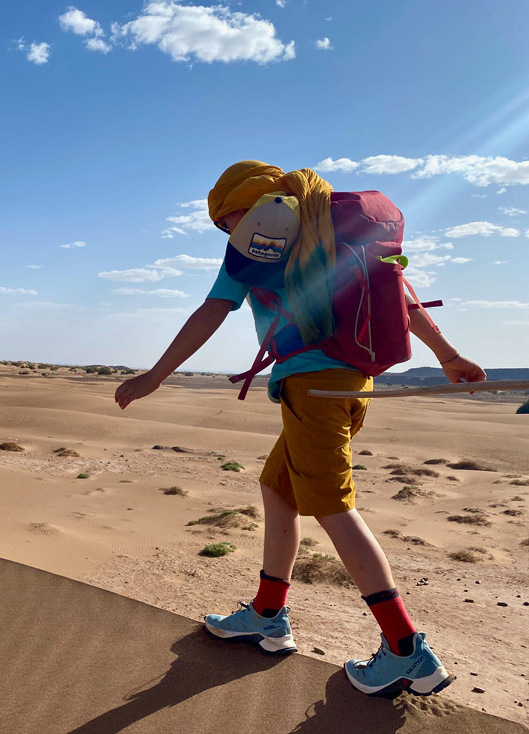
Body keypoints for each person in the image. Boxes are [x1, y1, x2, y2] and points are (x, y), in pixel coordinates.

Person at [114, 160, 487, 698]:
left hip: (313, 387)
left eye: (227, 219)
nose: (227, 231)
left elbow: (211, 310)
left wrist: (155, 375)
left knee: (334, 507)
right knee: (277, 488)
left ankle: (407, 651)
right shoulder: (338, 234)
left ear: (250, 203)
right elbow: (399, 296)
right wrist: (448, 354)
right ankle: (268, 615)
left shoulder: (258, 243)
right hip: (347, 383)